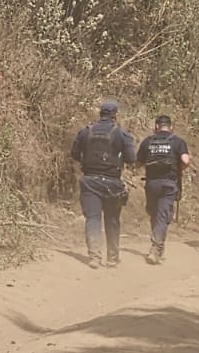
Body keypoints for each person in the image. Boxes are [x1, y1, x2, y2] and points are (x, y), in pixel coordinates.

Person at [70, 100, 137, 269]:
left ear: (100, 113)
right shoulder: (122, 134)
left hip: (90, 180)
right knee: (112, 219)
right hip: (112, 183)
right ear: (115, 115)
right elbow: (131, 158)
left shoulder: (86, 132)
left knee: (93, 218)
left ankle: (94, 256)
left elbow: (75, 154)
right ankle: (112, 257)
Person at [136, 115, 191, 264]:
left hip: (151, 184)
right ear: (171, 127)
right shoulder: (178, 142)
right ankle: (155, 248)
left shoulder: (148, 141)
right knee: (163, 216)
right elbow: (185, 161)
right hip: (168, 184)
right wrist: (180, 169)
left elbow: (138, 163)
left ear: (156, 127)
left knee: (154, 214)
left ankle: (158, 246)